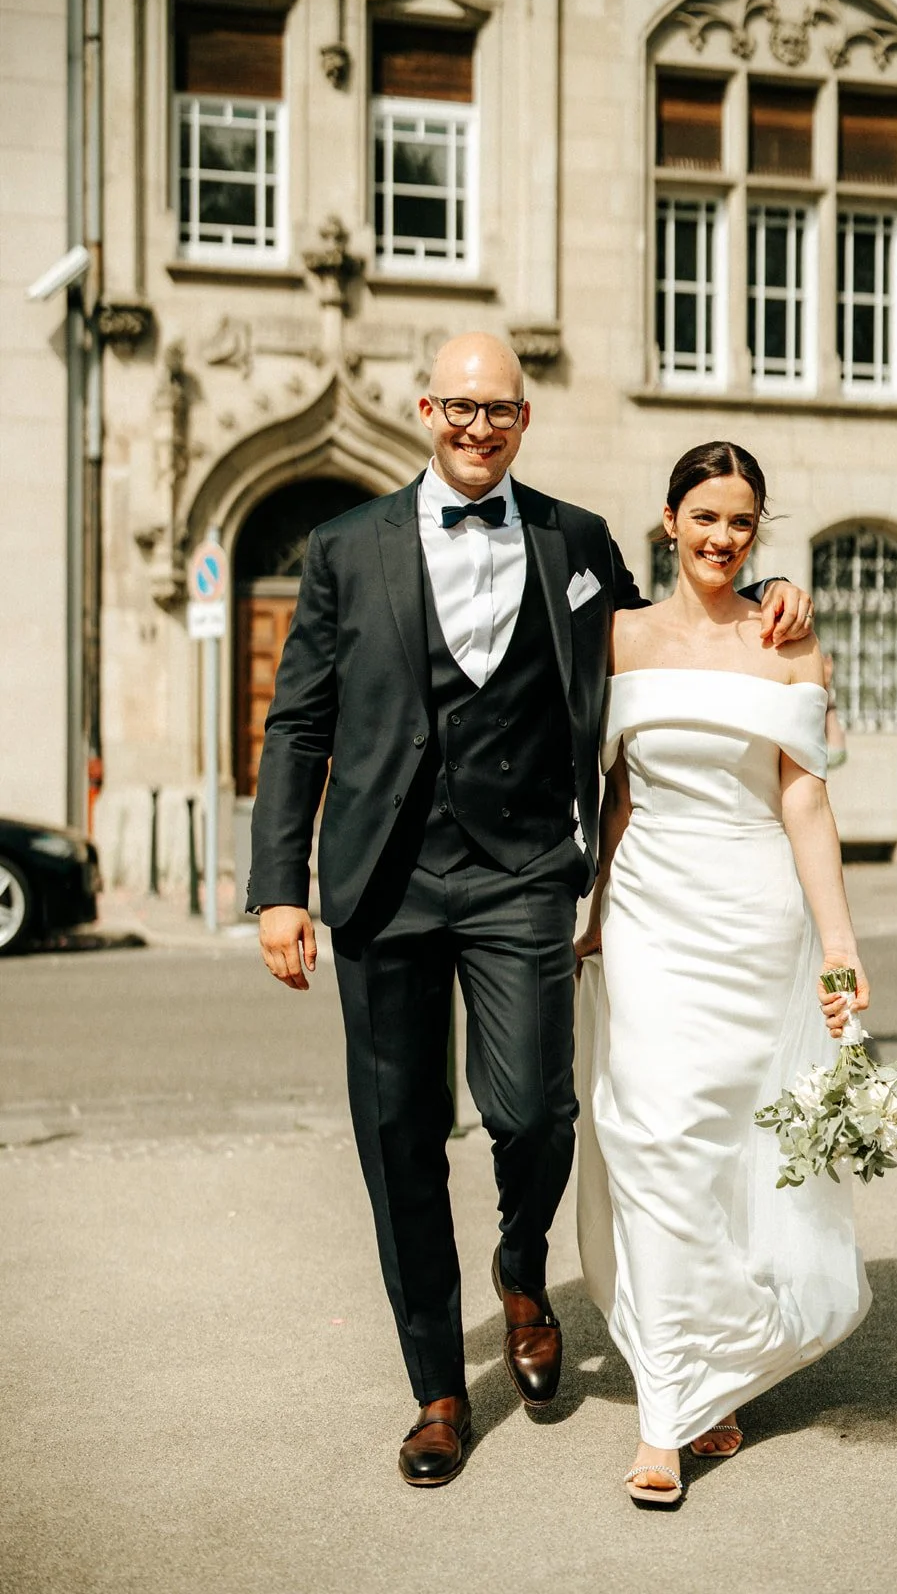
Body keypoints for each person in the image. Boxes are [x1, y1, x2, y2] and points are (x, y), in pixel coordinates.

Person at [248, 337, 815, 1488]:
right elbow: (297, 722)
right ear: (424, 409)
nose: (477, 425)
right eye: (458, 405)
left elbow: (669, 636)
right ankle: (438, 1392)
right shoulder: (343, 548)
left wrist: (762, 593)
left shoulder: (575, 539)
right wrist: (276, 888)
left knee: (534, 1112)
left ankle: (519, 1264)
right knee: (398, 1135)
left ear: (522, 416)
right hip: (380, 882)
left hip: (518, 875)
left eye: (498, 407)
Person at [574, 440, 871, 1507]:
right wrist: (597, 913)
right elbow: (613, 794)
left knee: (733, 1155)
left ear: (757, 530)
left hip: (755, 922)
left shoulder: (792, 648)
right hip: (653, 914)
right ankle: (665, 1415)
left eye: (740, 521)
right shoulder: (616, 638)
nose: (720, 537)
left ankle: (709, 1365)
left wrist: (837, 944)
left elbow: (803, 801)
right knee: (655, 1137)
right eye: (703, 516)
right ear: (666, 520)